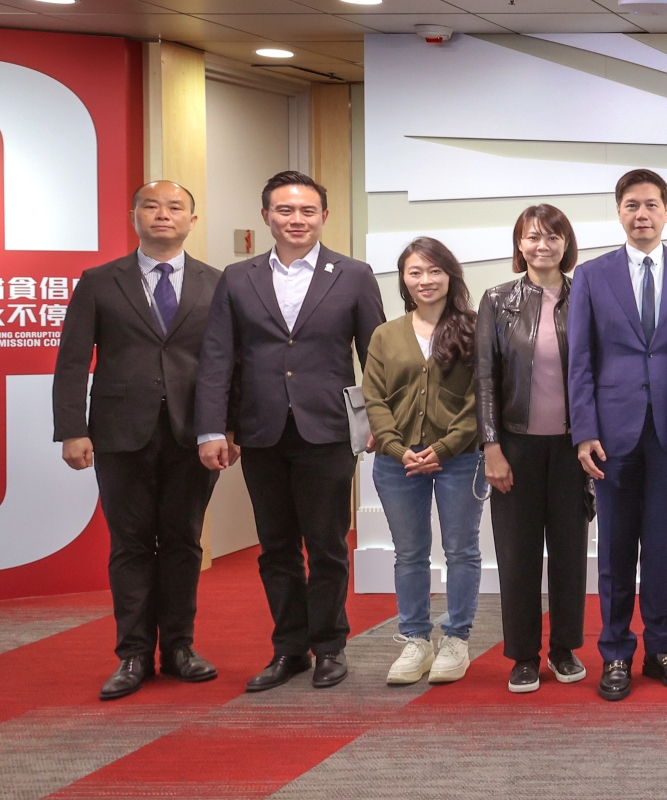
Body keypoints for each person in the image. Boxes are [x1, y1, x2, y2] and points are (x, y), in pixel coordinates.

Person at [194, 170, 386, 692]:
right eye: (284, 210)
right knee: (276, 547)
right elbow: (218, 357)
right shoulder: (238, 277)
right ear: (266, 217)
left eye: (306, 211)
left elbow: (377, 355)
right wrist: (211, 429)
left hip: (327, 429)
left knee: (326, 544)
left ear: (323, 216)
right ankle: (289, 649)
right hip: (261, 430)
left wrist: (381, 422)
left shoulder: (353, 274)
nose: (296, 219)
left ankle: (330, 647)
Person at [54, 181, 224, 700]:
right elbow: (72, 360)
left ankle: (179, 648)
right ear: (134, 217)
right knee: (130, 544)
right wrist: (72, 429)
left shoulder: (218, 283)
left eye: (175, 207)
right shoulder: (99, 281)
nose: (162, 214)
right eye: (151, 206)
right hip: (119, 432)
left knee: (182, 542)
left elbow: (228, 363)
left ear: (192, 219)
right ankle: (132, 654)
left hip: (193, 435)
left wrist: (227, 428)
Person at [568, 169, 667, 701]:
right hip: (611, 433)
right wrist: (584, 430)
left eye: (651, 204)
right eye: (631, 205)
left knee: (663, 548)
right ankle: (615, 652)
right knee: (615, 550)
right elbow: (581, 359)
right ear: (619, 212)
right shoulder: (591, 275)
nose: (641, 214)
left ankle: (662, 648)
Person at [479, 204, 592, 694]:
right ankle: (523, 655)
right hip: (515, 447)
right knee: (518, 555)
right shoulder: (497, 299)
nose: (542, 245)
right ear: (519, 244)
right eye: (532, 237)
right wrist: (491, 446)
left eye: (552, 237)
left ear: (566, 244)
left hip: (573, 447)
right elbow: (485, 379)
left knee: (569, 552)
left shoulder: (586, 296)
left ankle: (564, 648)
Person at [362, 238, 483, 687]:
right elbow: (374, 398)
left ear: (451, 276)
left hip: (460, 459)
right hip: (398, 463)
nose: (425, 280)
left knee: (461, 550)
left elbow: (481, 397)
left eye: (434, 271)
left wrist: (446, 447)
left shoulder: (475, 328)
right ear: (403, 279)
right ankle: (415, 639)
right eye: (415, 272)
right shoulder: (385, 334)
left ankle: (457, 639)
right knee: (409, 553)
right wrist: (398, 449)